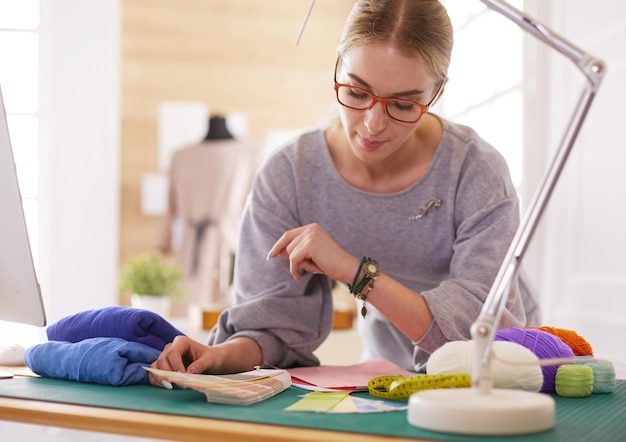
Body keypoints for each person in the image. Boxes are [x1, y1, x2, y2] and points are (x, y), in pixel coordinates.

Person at [149, 0, 539, 384]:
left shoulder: (476, 170)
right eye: (356, 93)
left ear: (436, 93)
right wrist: (217, 356)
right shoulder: (290, 176)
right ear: (338, 66)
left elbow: (481, 336)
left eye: (403, 104)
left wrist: (356, 273)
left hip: (500, 369)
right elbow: (270, 328)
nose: (372, 125)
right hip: (390, 369)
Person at [157, 114, 258, 313]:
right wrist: (164, 239)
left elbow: (258, 206)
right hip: (194, 246)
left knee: (228, 302)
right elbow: (169, 204)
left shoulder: (252, 153)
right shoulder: (180, 155)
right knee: (188, 308)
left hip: (229, 244)